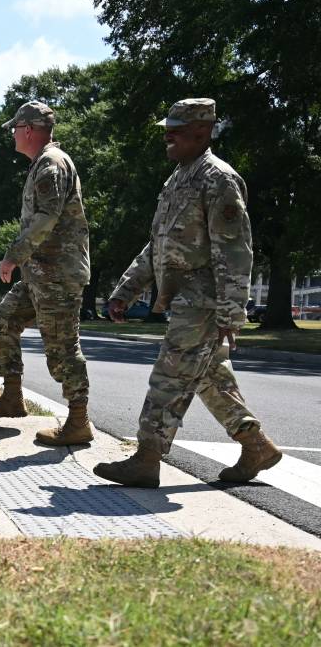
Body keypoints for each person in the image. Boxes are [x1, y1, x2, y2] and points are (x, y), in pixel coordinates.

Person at [93, 98, 282, 487]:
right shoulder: (179, 178)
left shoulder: (219, 180)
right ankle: (256, 445)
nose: (168, 135)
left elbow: (235, 250)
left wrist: (232, 314)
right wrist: (125, 291)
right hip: (186, 299)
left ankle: (147, 458)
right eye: (168, 127)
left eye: (176, 129)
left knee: (171, 375)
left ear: (203, 131)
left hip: (204, 301)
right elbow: (158, 245)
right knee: (210, 378)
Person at [0, 101, 93, 446]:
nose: (12, 135)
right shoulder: (44, 163)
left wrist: (12, 257)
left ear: (28, 130)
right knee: (3, 321)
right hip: (41, 273)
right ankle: (12, 397)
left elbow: (46, 218)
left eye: (15, 128)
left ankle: (79, 420)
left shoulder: (51, 164)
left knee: (62, 347)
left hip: (57, 274)